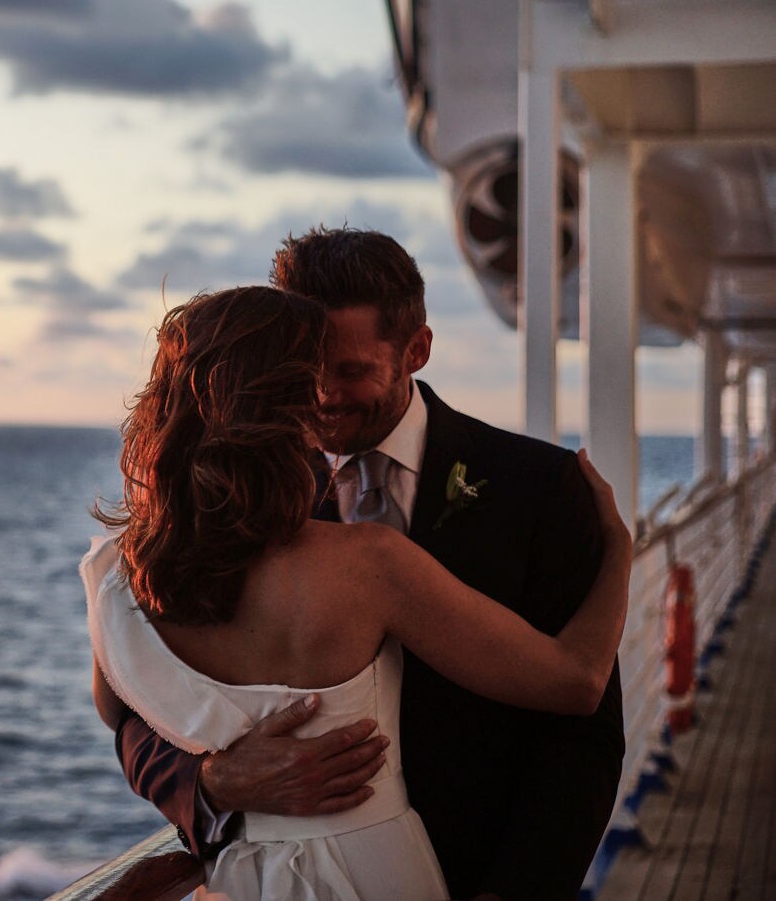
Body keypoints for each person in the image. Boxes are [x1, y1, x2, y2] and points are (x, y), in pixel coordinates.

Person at [108, 229, 626, 901]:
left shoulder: (539, 488)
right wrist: (210, 784)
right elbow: (132, 716)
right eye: (303, 370)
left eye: (349, 369)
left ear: (417, 350)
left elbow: (583, 734)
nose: (321, 394)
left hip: (477, 870)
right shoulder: (236, 516)